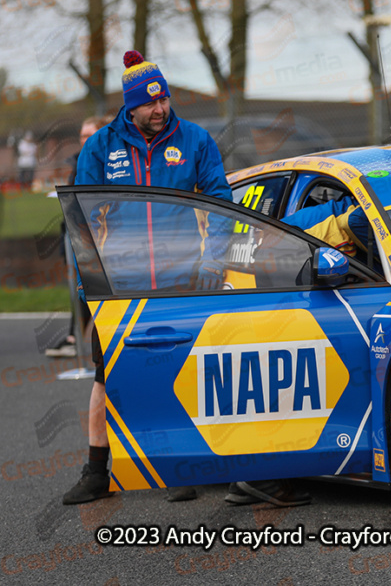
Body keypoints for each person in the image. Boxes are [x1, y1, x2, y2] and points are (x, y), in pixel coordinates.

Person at [63, 50, 232, 505]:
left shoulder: (195, 141)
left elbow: (221, 206)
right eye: (150, 104)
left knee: (181, 371)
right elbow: (81, 219)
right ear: (131, 107)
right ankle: (98, 471)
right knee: (108, 375)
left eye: (165, 101)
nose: (161, 110)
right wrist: (92, 277)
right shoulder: (100, 146)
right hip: (121, 286)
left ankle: (179, 466)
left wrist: (212, 264)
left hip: (180, 282)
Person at [223, 197, 370, 508]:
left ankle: (247, 474)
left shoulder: (351, 204)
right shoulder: (361, 215)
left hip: (282, 276)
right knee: (285, 373)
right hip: (275, 280)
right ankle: (260, 473)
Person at [46, 115, 115, 358]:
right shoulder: (80, 161)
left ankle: (84, 337)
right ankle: (77, 336)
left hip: (103, 238)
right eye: (82, 135)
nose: (84, 139)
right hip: (77, 233)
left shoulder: (110, 159)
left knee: (95, 288)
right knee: (83, 287)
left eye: (89, 134)